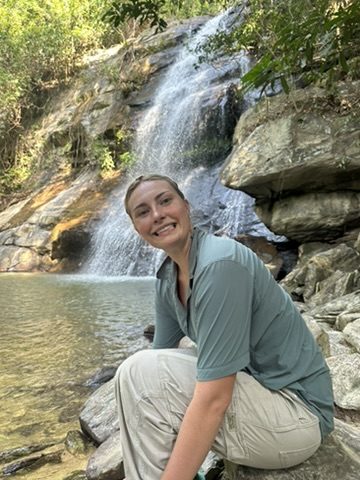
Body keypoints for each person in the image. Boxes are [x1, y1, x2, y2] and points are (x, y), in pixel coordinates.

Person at [114, 174, 334, 480]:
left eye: (165, 201)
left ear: (185, 206)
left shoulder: (220, 264)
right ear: (138, 228)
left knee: (136, 371)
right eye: (142, 211)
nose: (157, 214)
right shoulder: (167, 278)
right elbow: (158, 364)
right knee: (134, 373)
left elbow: (214, 397)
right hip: (259, 401)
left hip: (297, 414)